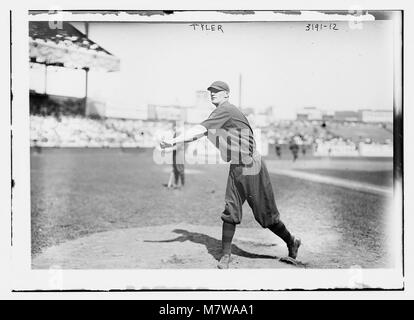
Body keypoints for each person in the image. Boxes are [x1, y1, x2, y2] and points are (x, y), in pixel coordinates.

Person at [160, 81, 301, 269]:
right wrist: (177, 140)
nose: (212, 94)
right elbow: (201, 133)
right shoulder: (220, 113)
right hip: (237, 166)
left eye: (216, 91)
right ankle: (226, 255)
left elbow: (200, 130)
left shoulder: (226, 109)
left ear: (226, 94)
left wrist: (173, 140)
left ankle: (291, 241)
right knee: (230, 210)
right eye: (210, 91)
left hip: (252, 166)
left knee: (265, 217)